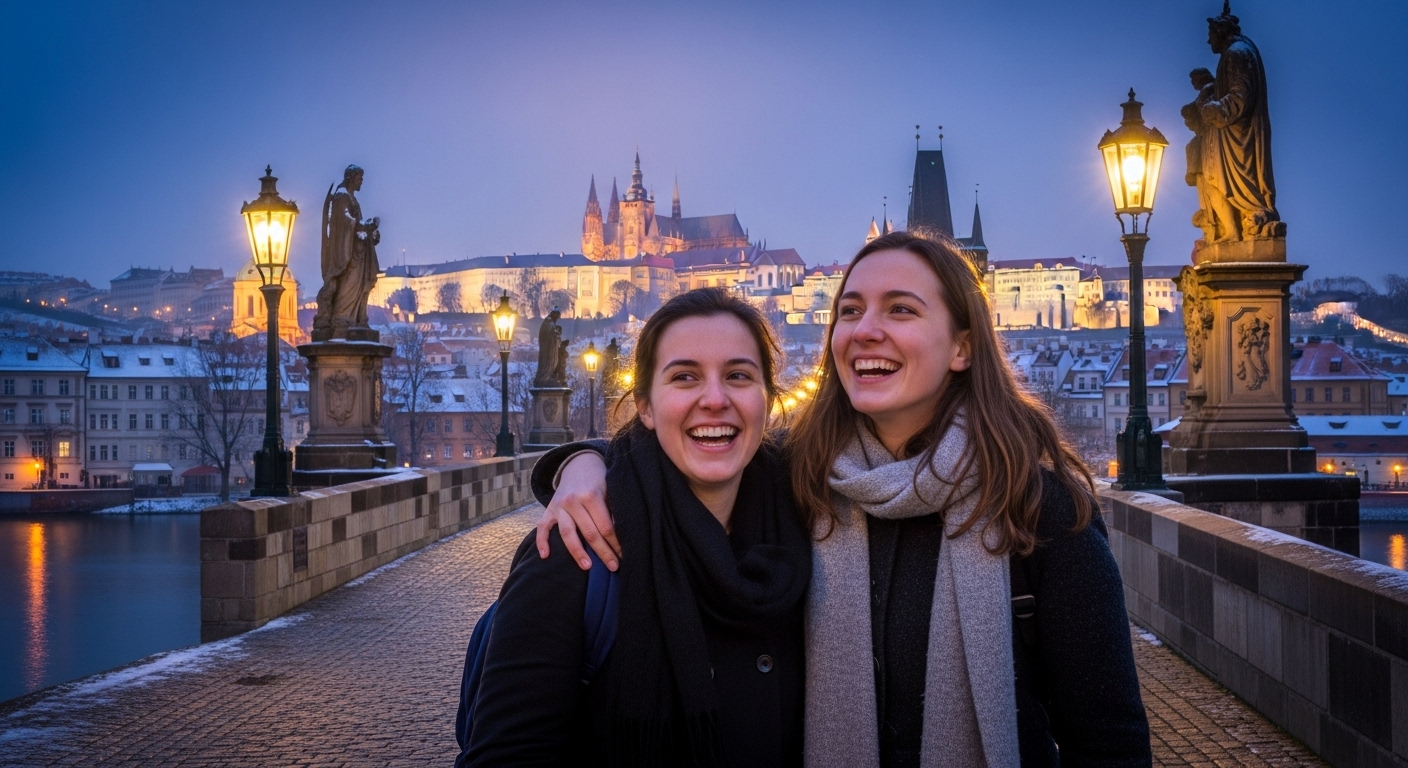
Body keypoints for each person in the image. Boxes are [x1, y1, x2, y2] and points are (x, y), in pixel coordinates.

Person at [535, 232, 1151, 766]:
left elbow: (1109, 743)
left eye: (901, 310)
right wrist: (581, 464)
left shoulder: (1038, 506)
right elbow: (679, 447)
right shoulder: (798, 478)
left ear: (963, 346)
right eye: (850, 311)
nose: (866, 331)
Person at [459, 288, 811, 767]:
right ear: (645, 406)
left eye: (738, 376)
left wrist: (582, 458)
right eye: (684, 377)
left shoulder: (809, 523)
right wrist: (585, 459)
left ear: (768, 400)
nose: (714, 399)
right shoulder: (576, 549)